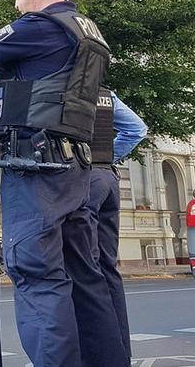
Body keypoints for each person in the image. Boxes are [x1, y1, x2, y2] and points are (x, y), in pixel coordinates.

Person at [0, 0, 125, 366]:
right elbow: (25, 78)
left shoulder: (39, 25)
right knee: (86, 278)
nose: (16, 2)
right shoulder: (85, 30)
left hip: (37, 169)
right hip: (76, 167)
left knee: (38, 275)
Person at [84, 89, 147, 359]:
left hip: (82, 180)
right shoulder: (106, 95)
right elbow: (137, 129)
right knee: (107, 268)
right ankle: (120, 353)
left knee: (83, 268)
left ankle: (97, 353)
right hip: (107, 178)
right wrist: (109, 157)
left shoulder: (59, 87)